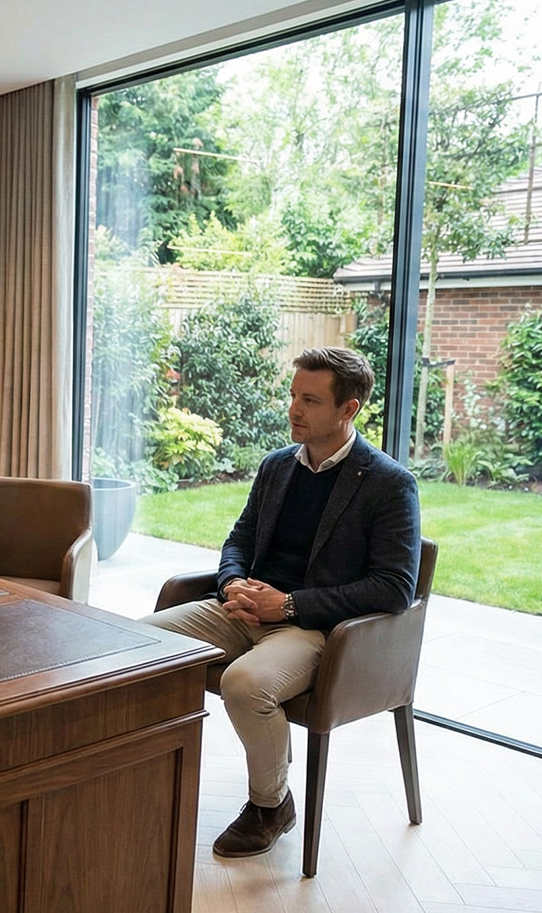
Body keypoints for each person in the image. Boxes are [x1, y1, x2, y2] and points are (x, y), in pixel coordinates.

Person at [141, 346, 420, 858]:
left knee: (245, 684)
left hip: (316, 628)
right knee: (135, 646)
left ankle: (271, 807)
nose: (293, 409)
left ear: (349, 409)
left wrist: (288, 606)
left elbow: (394, 586)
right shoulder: (277, 466)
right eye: (293, 395)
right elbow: (240, 539)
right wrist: (233, 583)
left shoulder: (389, 484)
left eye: (310, 400)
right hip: (242, 610)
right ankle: (142, 777)